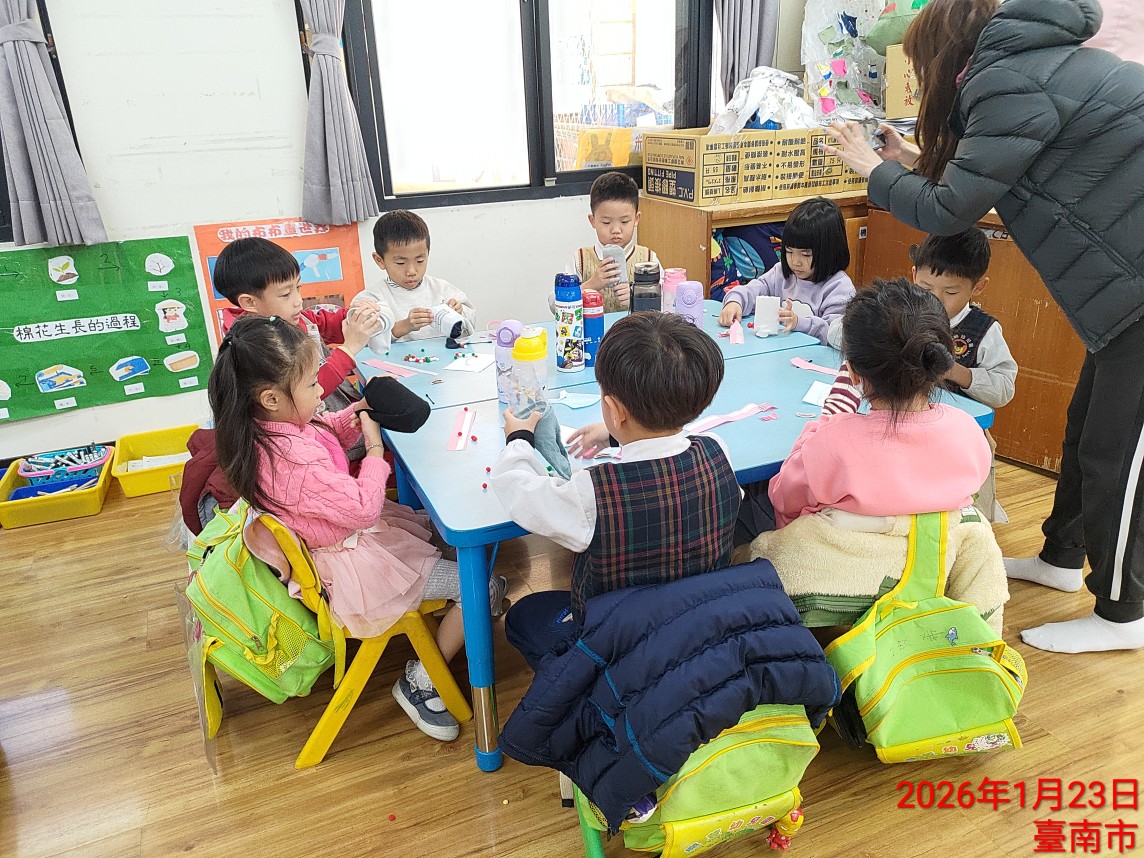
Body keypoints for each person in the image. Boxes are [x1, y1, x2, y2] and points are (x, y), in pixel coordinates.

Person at [826, 0, 1144, 653]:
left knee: (1117, 456)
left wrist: (873, 170)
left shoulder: (1008, 78)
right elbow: (994, 177)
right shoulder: (1029, 66)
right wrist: (911, 159)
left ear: (946, 52)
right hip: (1121, 293)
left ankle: (1124, 612)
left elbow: (950, 210)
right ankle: (1062, 558)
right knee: (1086, 434)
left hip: (1135, 294)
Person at [208, 315, 506, 741]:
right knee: (481, 586)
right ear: (271, 398)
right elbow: (365, 508)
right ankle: (420, 683)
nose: (321, 391)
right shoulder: (292, 464)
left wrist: (357, 414)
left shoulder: (267, 431)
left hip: (343, 543)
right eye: (312, 384)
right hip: (353, 567)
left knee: (447, 543)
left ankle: (460, 611)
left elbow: (321, 430)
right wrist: (373, 447)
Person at [746, 279, 1007, 631]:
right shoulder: (966, 430)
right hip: (929, 576)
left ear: (853, 372)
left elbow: (784, 499)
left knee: (751, 507)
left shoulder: (834, 440)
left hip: (836, 591)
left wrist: (828, 420)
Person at [489, 312, 740, 668]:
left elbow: (521, 493)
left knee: (524, 615)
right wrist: (615, 434)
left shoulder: (592, 492)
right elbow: (666, 453)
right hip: (697, 627)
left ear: (612, 408)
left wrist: (518, 439)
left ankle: (579, 687)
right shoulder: (718, 451)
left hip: (616, 648)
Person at [214, 236, 387, 399]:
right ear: (250, 302)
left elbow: (329, 324)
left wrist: (355, 314)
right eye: (286, 294)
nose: (298, 301)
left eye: (298, 287)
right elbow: (305, 394)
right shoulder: (254, 350)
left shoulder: (294, 319)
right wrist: (350, 348)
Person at [717, 197, 855, 345]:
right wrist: (735, 301)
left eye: (805, 254)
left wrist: (798, 323)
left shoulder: (839, 288)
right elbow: (755, 289)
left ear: (830, 252)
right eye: (789, 251)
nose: (795, 262)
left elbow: (835, 335)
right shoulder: (782, 273)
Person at [354, 210, 476, 344]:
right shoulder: (372, 299)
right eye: (400, 263)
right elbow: (359, 340)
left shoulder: (441, 289)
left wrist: (460, 313)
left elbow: (470, 325)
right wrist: (403, 326)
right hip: (396, 358)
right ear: (379, 260)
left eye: (420, 261)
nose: (411, 271)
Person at [566, 171, 660, 313]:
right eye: (606, 222)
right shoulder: (580, 259)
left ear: (636, 219)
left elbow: (667, 303)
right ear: (592, 220)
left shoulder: (648, 260)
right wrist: (590, 285)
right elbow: (555, 304)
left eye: (624, 221)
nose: (616, 230)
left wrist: (637, 299)